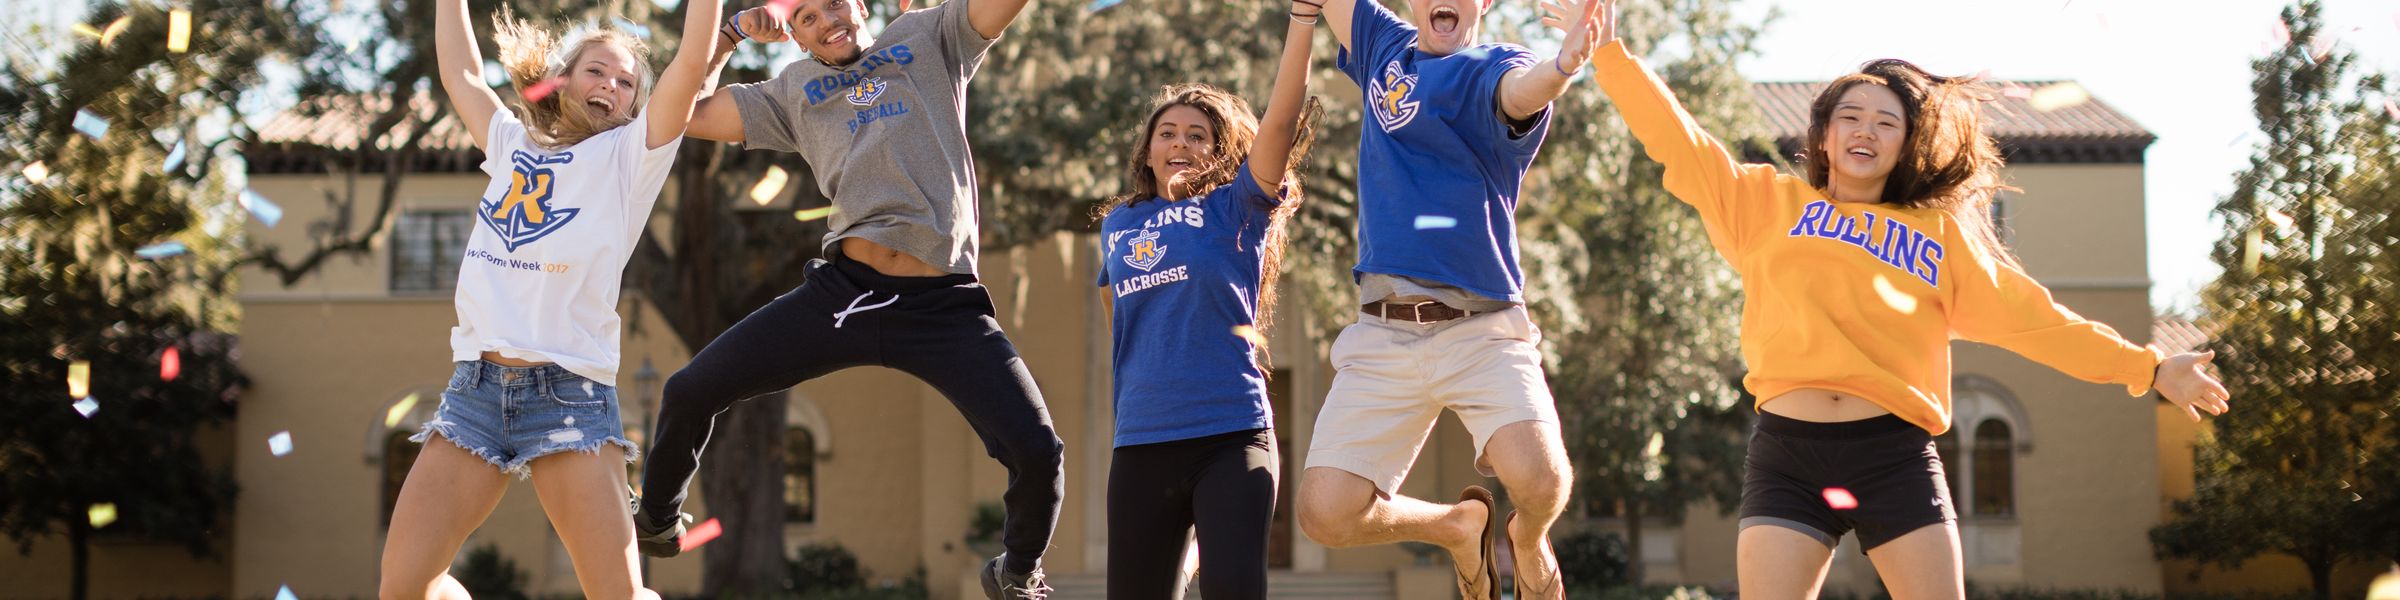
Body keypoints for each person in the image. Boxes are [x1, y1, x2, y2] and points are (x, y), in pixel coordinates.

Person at [1570, 1, 2233, 597]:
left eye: (1885, 122)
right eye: (1849, 117)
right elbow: (1682, 145)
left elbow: (2036, 320)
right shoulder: (1766, 204)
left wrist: (2148, 369)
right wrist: (1609, 53)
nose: (1865, 130)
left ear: (1905, 144)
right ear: (1823, 138)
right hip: (1787, 455)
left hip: (1893, 455)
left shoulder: (1938, 237)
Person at [628, 0, 1059, 597]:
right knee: (688, 390)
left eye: (835, 4)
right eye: (805, 16)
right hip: (846, 295)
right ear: (796, 38)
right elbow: (675, 115)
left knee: (1038, 450)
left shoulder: (927, 35)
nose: (826, 19)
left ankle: (1017, 573)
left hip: (944, 308)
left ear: (861, 6)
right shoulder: (792, 91)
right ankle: (656, 521)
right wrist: (726, 39)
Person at [381, 0, 724, 597]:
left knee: (615, 593)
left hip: (569, 401)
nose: (611, 87)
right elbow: (461, 74)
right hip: (474, 397)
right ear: (562, 79)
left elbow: (691, 61)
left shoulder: (628, 159)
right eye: (598, 71)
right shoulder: (509, 141)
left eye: (626, 84)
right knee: (404, 587)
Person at [1289, 0, 1606, 598]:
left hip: (1481, 328)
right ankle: (1459, 527)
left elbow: (1522, 91)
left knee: (1541, 483)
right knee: (1324, 516)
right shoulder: (1383, 43)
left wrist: (1561, 66)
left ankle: (1529, 540)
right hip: (1382, 334)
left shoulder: (1492, 66)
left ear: (1483, 3)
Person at [1090, 5, 1321, 597]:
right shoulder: (1119, 225)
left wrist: (1302, 19)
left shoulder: (1236, 208)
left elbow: (1279, 124)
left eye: (1199, 136)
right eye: (1167, 133)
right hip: (1142, 445)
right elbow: (1124, 328)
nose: (1180, 144)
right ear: (1146, 151)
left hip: (1231, 435)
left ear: (1220, 153)